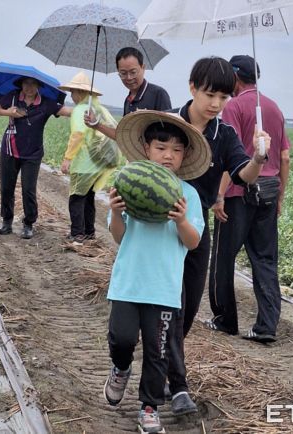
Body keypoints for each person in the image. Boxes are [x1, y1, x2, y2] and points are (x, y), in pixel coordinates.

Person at [165, 57, 272, 415]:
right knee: (173, 307)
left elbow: (243, 175)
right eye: (210, 94)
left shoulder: (223, 135)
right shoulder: (168, 124)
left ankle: (166, 366)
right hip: (161, 228)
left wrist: (259, 157)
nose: (216, 104)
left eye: (224, 97)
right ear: (192, 87)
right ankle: (176, 385)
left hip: (197, 230)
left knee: (190, 307)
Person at [103, 110, 210, 434]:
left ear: (185, 156)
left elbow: (193, 243)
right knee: (121, 339)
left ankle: (149, 408)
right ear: (147, 148)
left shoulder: (188, 196)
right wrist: (116, 212)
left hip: (164, 290)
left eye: (177, 150)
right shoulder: (129, 181)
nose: (168, 155)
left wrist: (180, 220)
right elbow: (119, 236)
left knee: (158, 353)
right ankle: (120, 367)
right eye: (161, 147)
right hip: (128, 284)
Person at [206, 55, 291, 342]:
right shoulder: (274, 108)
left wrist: (218, 195)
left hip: (238, 193)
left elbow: (228, 156)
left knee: (223, 257)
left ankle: (225, 319)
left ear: (234, 78)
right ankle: (266, 327)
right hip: (268, 192)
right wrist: (280, 196)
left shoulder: (234, 107)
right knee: (265, 260)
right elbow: (284, 157)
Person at [0, 76, 70, 239]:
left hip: (32, 153)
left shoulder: (46, 103)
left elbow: (66, 111)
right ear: (20, 84)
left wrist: (85, 110)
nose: (29, 87)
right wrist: (9, 112)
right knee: (6, 187)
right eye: (26, 83)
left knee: (28, 189)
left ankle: (28, 224)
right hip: (9, 149)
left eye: (33, 83)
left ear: (39, 86)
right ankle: (6, 222)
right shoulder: (13, 96)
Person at [59, 72, 120, 244]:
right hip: (100, 165)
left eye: (73, 91)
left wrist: (67, 158)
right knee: (89, 198)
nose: (71, 95)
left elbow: (78, 134)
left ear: (79, 92)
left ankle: (77, 233)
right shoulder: (100, 109)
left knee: (76, 198)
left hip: (84, 164)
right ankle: (89, 232)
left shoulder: (80, 110)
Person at [84, 46, 171, 139]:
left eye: (133, 72)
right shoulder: (128, 101)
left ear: (143, 68)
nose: (129, 78)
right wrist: (95, 124)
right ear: (118, 72)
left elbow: (170, 131)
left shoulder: (158, 94)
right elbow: (123, 136)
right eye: (123, 73)